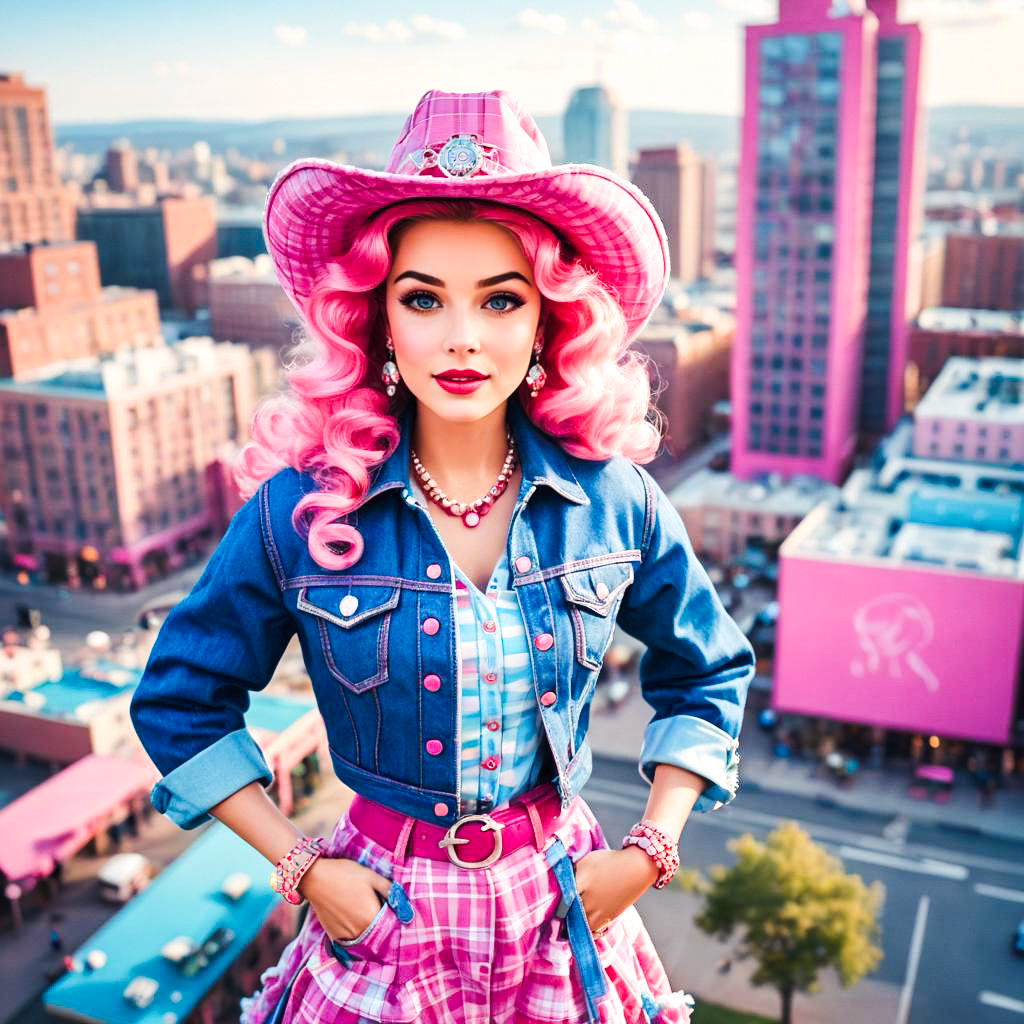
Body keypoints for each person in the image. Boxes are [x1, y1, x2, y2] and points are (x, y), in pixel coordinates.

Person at [129, 89, 755, 1024]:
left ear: (548, 322)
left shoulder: (612, 498)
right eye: (424, 297)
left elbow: (709, 670)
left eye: (502, 299)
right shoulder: (301, 511)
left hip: (564, 909)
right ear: (377, 319)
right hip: (383, 915)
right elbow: (181, 702)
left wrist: (647, 852)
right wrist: (303, 867)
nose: (463, 335)